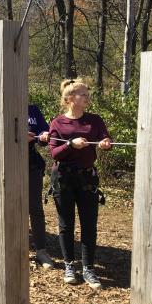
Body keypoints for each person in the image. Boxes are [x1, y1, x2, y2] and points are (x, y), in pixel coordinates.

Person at [48, 78, 112, 289]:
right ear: (69, 99)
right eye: (83, 94)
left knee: (89, 224)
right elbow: (54, 152)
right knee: (66, 224)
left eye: (87, 94)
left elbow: (105, 138)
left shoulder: (95, 120)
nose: (87, 97)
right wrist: (70, 145)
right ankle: (69, 266)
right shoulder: (57, 123)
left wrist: (105, 143)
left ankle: (88, 269)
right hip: (64, 179)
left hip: (87, 179)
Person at [27, 104, 56, 268]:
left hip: (31, 164)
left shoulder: (33, 110)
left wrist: (43, 135)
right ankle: (14, 249)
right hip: (5, 163)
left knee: (35, 208)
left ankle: (41, 251)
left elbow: (44, 134)